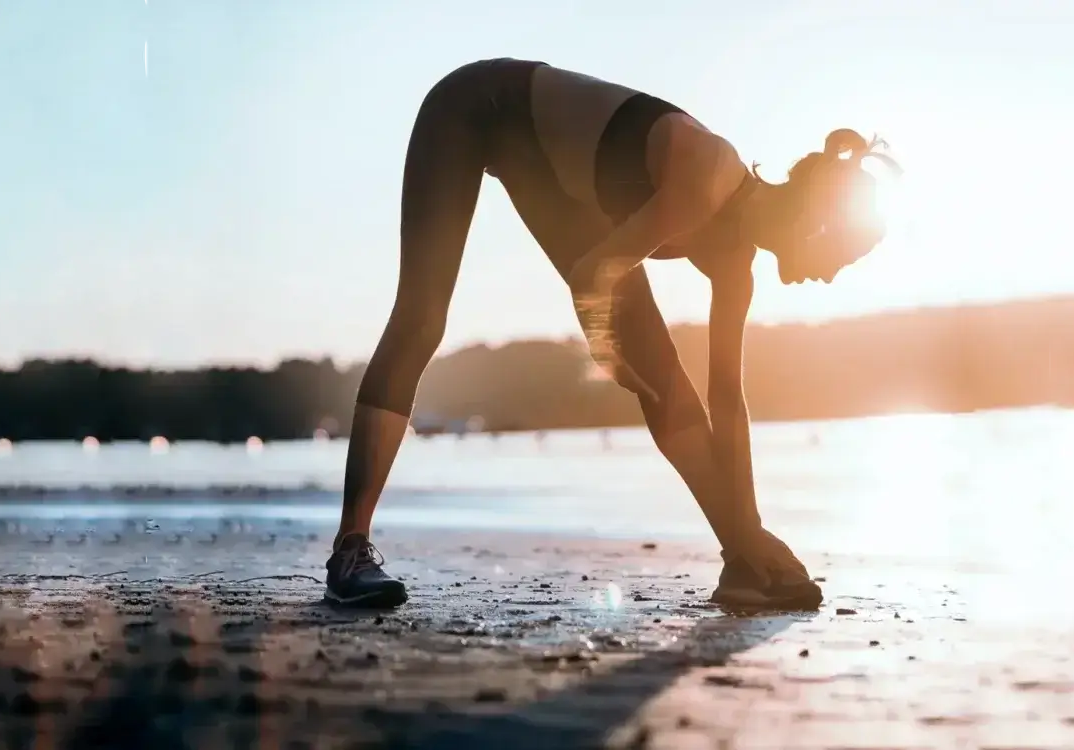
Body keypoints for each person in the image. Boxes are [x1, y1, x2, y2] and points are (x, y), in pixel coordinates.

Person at [326, 58, 900, 610]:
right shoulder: (705, 176)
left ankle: (742, 562)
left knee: (663, 376)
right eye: (838, 257)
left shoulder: (736, 263)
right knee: (423, 317)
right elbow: (591, 280)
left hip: (558, 177)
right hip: (476, 108)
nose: (829, 275)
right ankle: (351, 551)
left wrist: (749, 527)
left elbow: (728, 400)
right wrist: (607, 351)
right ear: (815, 219)